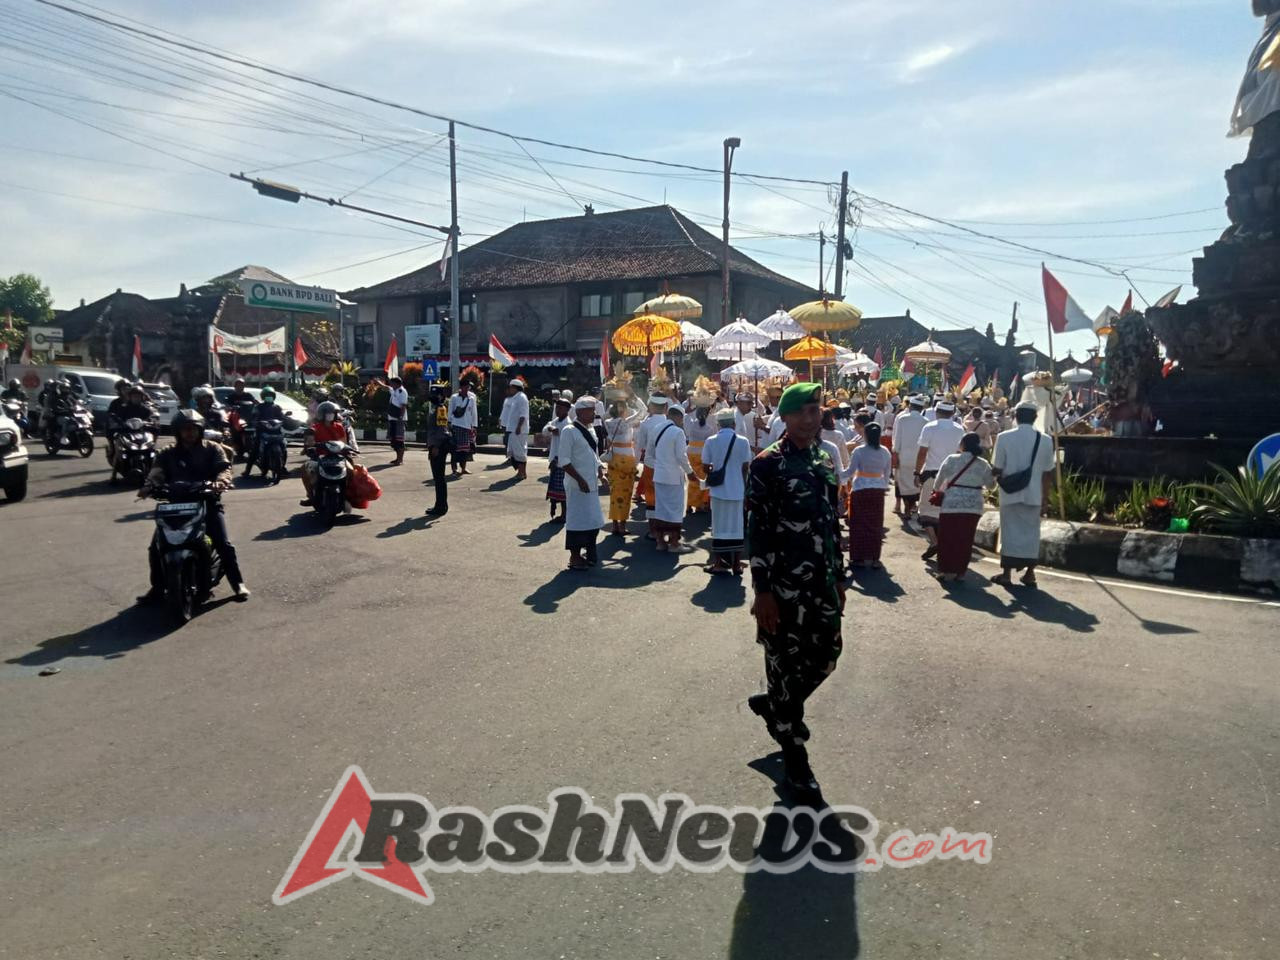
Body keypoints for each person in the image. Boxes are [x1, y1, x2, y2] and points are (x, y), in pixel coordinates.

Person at [745, 382, 844, 806]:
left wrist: (841, 576)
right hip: (783, 588)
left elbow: (830, 522)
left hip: (821, 582)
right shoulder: (767, 465)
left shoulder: (825, 460)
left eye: (815, 409)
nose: (811, 416)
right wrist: (763, 591)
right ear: (784, 418)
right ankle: (794, 752)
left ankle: (776, 705)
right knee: (785, 663)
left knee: (827, 656)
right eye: (801, 411)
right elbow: (758, 531)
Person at [136, 408, 249, 603]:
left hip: (206, 503)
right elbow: (157, 472)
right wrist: (149, 486)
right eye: (185, 429)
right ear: (177, 431)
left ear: (200, 430)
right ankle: (157, 588)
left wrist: (220, 482)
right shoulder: (167, 452)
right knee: (156, 547)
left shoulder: (213, 448)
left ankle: (237, 584)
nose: (190, 432)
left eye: (194, 428)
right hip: (175, 506)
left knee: (222, 543)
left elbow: (224, 469)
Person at [991, 401, 1056, 588]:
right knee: (1031, 534)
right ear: (1035, 418)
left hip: (1010, 493)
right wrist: (1045, 498)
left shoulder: (1004, 438)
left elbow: (998, 468)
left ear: (1016, 417)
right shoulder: (1045, 440)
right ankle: (1030, 573)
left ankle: (1006, 574)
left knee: (1009, 532)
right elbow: (1047, 473)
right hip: (1034, 494)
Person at [933, 432, 996, 582]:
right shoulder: (983, 464)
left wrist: (938, 491)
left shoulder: (951, 459)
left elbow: (938, 481)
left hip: (951, 504)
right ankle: (960, 571)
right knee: (965, 540)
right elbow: (991, 486)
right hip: (973, 506)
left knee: (947, 537)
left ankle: (944, 570)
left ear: (962, 444)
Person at [700, 407, 751, 574]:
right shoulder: (743, 441)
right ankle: (736, 564)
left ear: (718, 425)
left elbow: (705, 466)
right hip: (737, 490)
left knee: (719, 527)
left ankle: (719, 563)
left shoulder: (711, 441)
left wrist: (715, 468)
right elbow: (745, 467)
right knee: (736, 528)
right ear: (734, 424)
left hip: (718, 490)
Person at [914, 400, 965, 562]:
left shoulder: (930, 427)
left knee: (925, 510)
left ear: (936, 412)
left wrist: (917, 472)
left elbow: (922, 452)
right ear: (952, 414)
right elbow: (961, 453)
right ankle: (942, 544)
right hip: (952, 476)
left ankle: (934, 541)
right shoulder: (959, 429)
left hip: (932, 474)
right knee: (945, 511)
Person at [560, 396, 606, 570]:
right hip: (577, 485)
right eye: (591, 410)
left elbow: (594, 455)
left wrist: (601, 472)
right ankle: (575, 557)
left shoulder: (591, 429)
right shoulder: (569, 431)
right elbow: (564, 461)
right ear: (580, 412)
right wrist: (580, 480)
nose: (594, 413)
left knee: (593, 521)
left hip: (591, 484)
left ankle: (590, 552)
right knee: (578, 521)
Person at [847, 422, 892, 569]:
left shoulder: (859, 451)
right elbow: (887, 474)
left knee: (858, 523)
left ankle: (858, 557)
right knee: (875, 525)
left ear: (864, 435)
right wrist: (883, 486)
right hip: (877, 491)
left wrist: (837, 472)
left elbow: (850, 471)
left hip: (860, 489)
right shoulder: (885, 451)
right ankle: (874, 558)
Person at [649, 403, 693, 552]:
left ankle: (660, 543)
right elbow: (681, 456)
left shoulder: (656, 429)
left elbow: (651, 453)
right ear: (679, 417)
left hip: (659, 475)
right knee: (675, 510)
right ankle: (674, 543)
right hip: (673, 477)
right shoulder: (678, 432)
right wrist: (690, 472)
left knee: (661, 509)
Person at [602, 398, 644, 536]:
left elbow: (606, 415)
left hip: (614, 459)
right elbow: (643, 411)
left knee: (614, 493)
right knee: (625, 494)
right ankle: (622, 525)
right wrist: (634, 398)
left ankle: (615, 524)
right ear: (624, 410)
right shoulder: (626, 423)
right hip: (626, 460)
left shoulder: (607, 423)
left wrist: (615, 401)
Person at [299, 400, 352, 507]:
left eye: (333, 413)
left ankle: (346, 495)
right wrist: (309, 443)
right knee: (304, 469)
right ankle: (310, 496)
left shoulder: (339, 426)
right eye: (328, 413)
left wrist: (348, 450)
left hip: (338, 457)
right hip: (320, 457)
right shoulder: (315, 427)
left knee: (351, 471)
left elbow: (344, 443)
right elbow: (310, 440)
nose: (331, 415)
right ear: (322, 414)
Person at [893, 395, 927, 518]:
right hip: (919, 460)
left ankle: (907, 507)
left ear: (911, 406)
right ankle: (910, 506)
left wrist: (895, 455)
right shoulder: (926, 422)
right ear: (922, 408)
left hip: (904, 458)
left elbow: (897, 441)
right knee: (915, 485)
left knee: (904, 484)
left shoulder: (902, 419)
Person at [242, 385, 287, 479]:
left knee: (284, 448)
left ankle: (282, 467)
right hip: (262, 431)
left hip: (276, 431)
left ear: (274, 396)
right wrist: (255, 421)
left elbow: (282, 417)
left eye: (270, 395)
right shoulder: (259, 407)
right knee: (255, 450)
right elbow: (254, 416)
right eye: (267, 395)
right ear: (263, 396)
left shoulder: (277, 407)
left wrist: (286, 419)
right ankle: (247, 470)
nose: (269, 396)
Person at [683, 395, 717, 514]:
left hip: (690, 452)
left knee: (691, 480)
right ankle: (698, 505)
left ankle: (688, 505)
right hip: (702, 453)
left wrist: (690, 408)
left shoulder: (690, 423)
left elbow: (685, 417)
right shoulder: (709, 428)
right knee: (701, 480)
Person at [634, 395, 668, 514]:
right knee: (664, 490)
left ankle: (653, 519)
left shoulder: (646, 424)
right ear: (666, 407)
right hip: (667, 463)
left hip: (650, 462)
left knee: (650, 491)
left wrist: (635, 463)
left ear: (651, 407)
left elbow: (640, 445)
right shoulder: (670, 422)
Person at [424, 382, 453, 516]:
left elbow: (441, 430)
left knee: (439, 478)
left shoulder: (440, 409)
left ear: (442, 396)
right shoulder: (436, 408)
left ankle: (441, 506)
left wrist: (435, 446)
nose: (433, 397)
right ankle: (440, 505)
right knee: (438, 478)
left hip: (439, 446)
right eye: (432, 394)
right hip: (436, 445)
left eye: (436, 394)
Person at [543, 395, 572, 523]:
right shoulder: (556, 421)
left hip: (562, 461)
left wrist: (558, 460)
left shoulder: (568, 424)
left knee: (563, 491)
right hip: (555, 460)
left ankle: (564, 515)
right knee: (556, 489)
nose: (557, 410)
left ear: (566, 410)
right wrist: (550, 428)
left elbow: (566, 446)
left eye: (560, 408)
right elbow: (545, 431)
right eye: (557, 408)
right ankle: (560, 513)